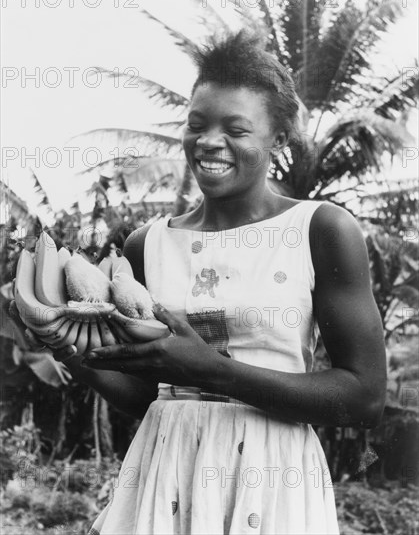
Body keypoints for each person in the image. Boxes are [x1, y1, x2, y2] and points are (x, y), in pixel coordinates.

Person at [57, 31, 386, 534]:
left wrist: (213, 371)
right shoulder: (149, 243)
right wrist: (71, 354)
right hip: (166, 471)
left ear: (277, 137)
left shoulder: (320, 228)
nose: (209, 142)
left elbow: (364, 397)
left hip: (270, 475)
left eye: (236, 128)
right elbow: (149, 393)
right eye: (196, 124)